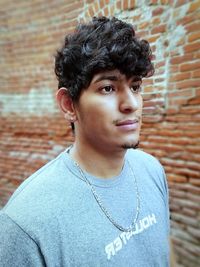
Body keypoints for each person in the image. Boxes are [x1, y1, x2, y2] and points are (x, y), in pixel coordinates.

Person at [0, 16, 170, 266]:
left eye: (135, 86)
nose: (131, 104)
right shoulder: (26, 223)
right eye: (108, 88)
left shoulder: (152, 170)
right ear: (69, 105)